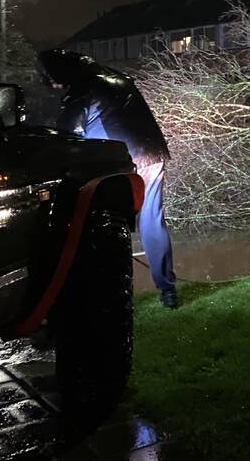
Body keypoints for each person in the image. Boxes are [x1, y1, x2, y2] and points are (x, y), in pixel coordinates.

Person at [38, 49, 179, 308]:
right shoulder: (117, 78)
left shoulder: (82, 88)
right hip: (153, 154)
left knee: (106, 229)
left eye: (54, 81)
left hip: (122, 162)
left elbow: (66, 132)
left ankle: (112, 298)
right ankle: (168, 292)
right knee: (152, 222)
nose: (55, 87)